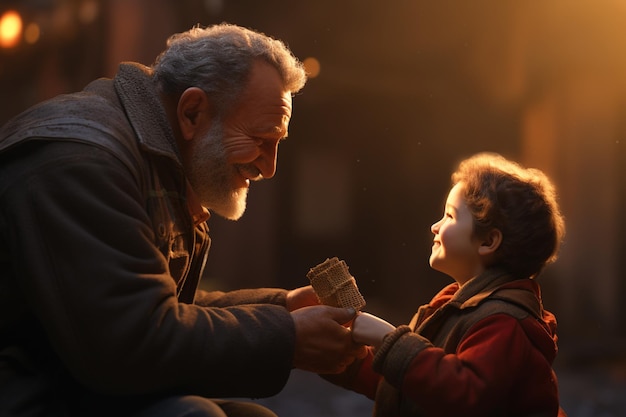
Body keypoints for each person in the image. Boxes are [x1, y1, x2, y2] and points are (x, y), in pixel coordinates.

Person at [0, 23, 365, 417]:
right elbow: (129, 341)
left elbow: (152, 300)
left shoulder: (158, 160)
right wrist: (288, 338)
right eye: (261, 139)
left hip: (71, 379)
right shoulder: (83, 162)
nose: (270, 167)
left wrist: (283, 307)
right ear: (192, 111)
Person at [328, 153, 568, 416]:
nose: (434, 226)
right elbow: (411, 385)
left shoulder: (504, 322)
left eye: (449, 216)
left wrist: (388, 340)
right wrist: (339, 356)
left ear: (488, 241)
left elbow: (462, 392)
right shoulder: (451, 303)